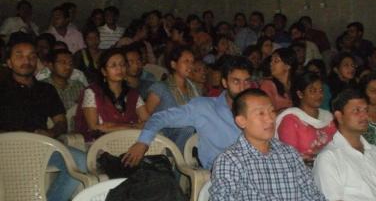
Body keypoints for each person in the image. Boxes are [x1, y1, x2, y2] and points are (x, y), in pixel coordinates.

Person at [210, 88, 333, 201]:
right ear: (241, 121)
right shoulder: (230, 160)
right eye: (261, 113)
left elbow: (317, 199)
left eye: (272, 111)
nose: (270, 119)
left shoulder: (288, 154)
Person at [0, 37, 86, 201]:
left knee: (80, 160)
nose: (27, 61)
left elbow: (61, 122)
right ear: (9, 62)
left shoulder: (45, 90)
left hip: (39, 146)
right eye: (20, 56)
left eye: (32, 56)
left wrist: (52, 132)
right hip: (4, 147)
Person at [123, 56, 254, 169]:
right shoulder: (204, 107)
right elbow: (160, 118)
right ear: (225, 82)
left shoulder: (257, 109)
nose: (242, 88)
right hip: (224, 173)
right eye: (236, 81)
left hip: (255, 168)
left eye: (246, 81)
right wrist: (143, 142)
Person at [77, 48, 149, 141]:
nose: (119, 69)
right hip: (100, 144)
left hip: (130, 141)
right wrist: (131, 126)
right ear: (104, 71)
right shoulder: (92, 92)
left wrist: (111, 126)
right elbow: (94, 128)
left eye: (122, 65)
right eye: (113, 65)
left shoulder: (132, 94)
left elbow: (148, 121)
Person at [145, 45, 199, 149]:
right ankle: (176, 160)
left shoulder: (195, 89)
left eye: (192, 62)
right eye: (186, 61)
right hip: (164, 137)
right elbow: (146, 117)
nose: (191, 65)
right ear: (174, 64)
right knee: (188, 127)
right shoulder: (160, 88)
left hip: (190, 136)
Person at [276, 72, 336, 163]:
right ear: (300, 94)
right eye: (313, 91)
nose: (319, 95)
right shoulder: (290, 120)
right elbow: (290, 158)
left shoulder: (328, 117)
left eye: (321, 90)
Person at [260, 48, 297, 113]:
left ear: (287, 66)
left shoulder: (297, 84)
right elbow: (267, 112)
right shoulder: (267, 85)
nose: (271, 64)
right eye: (271, 61)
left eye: (276, 61)